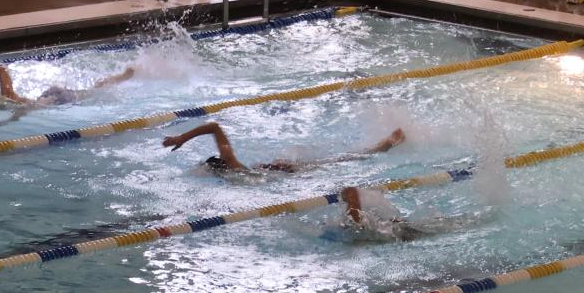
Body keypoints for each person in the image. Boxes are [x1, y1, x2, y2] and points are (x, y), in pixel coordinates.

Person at [162, 121, 405, 172]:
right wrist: (182, 138)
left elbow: (215, 127)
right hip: (278, 169)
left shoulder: (233, 166)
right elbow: (214, 127)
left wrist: (182, 138)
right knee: (340, 160)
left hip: (285, 171)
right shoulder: (234, 166)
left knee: (341, 161)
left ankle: (383, 146)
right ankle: (382, 145)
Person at [0, 57, 136, 112]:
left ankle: (124, 77)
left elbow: (18, 117)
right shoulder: (9, 94)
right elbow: (1, 70)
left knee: (91, 93)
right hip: (50, 94)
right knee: (92, 90)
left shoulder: (14, 103)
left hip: (54, 101)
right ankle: (123, 77)